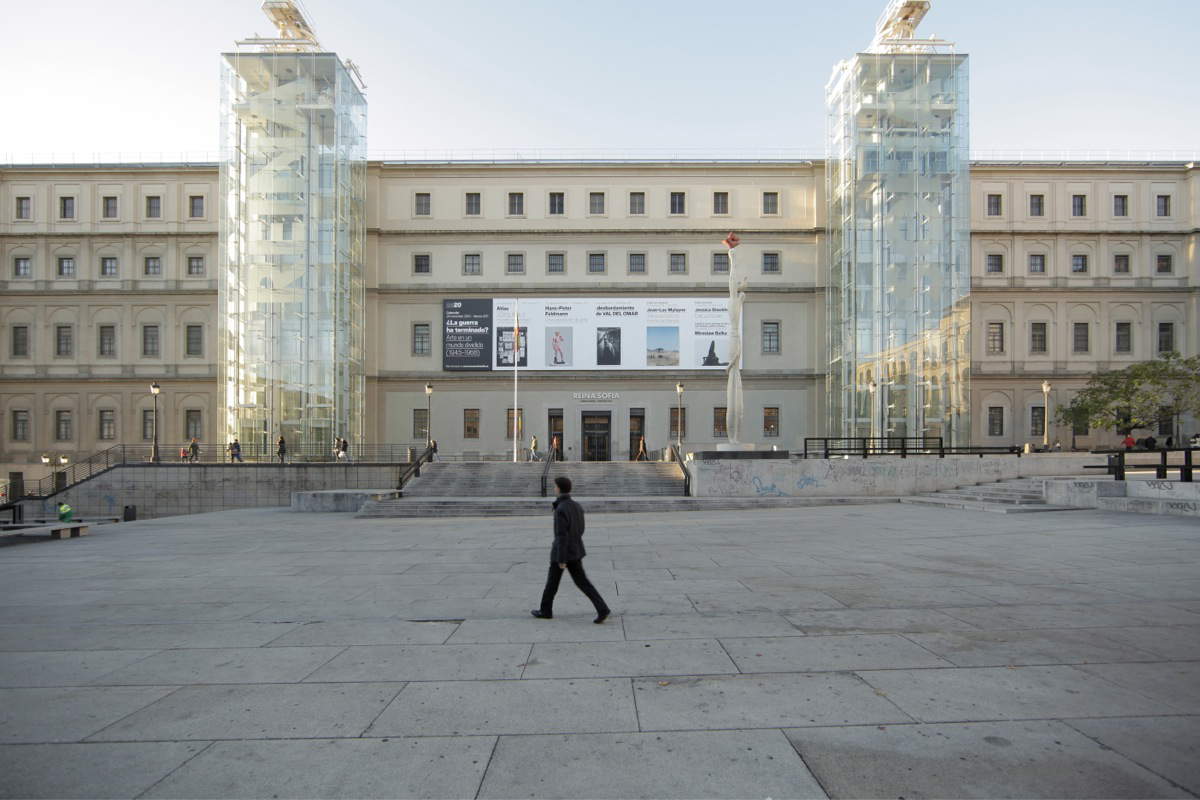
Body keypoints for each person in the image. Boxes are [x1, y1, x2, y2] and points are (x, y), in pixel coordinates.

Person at [531, 476, 610, 624]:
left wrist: (561, 559)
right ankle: (602, 608)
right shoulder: (576, 506)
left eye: (555, 487)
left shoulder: (561, 509)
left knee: (552, 583)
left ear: (559, 489)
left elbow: (561, 535)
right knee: (583, 583)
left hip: (563, 552)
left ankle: (546, 610)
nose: (554, 489)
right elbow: (580, 529)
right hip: (576, 550)